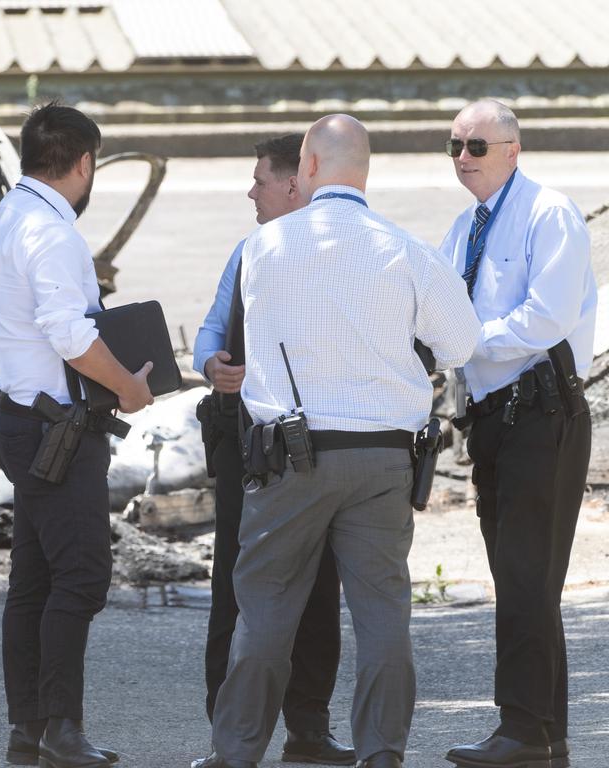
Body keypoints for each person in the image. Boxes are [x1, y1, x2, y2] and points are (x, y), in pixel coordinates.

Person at [191, 114, 481, 768]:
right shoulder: (406, 249)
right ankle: (382, 753)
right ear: (366, 170)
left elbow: (248, 337)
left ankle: (234, 753)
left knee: (263, 610)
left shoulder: (262, 249)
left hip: (289, 454)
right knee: (383, 615)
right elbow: (462, 344)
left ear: (309, 169)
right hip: (384, 458)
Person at [0, 102, 154, 768]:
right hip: (57, 431)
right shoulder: (50, 232)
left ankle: (30, 729)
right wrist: (132, 389)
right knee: (80, 578)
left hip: (25, 421)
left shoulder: (4, 218)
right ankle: (59, 729)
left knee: (35, 581)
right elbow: (71, 334)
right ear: (84, 163)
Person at [440, 100, 595, 768]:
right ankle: (546, 731)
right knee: (522, 578)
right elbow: (440, 305)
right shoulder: (463, 225)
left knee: (527, 577)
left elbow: (546, 318)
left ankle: (521, 731)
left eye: (477, 145)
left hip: (541, 414)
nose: (463, 158)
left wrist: (467, 342)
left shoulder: (547, 212)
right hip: (493, 420)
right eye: (453, 146)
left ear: (512, 148)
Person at [193, 134, 354, 766]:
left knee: (318, 585)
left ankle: (309, 728)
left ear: (294, 184)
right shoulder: (248, 249)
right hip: (247, 448)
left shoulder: (340, 249)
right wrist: (212, 362)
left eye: (260, 180)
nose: (250, 192)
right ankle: (227, 733)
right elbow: (212, 325)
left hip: (320, 444)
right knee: (235, 584)